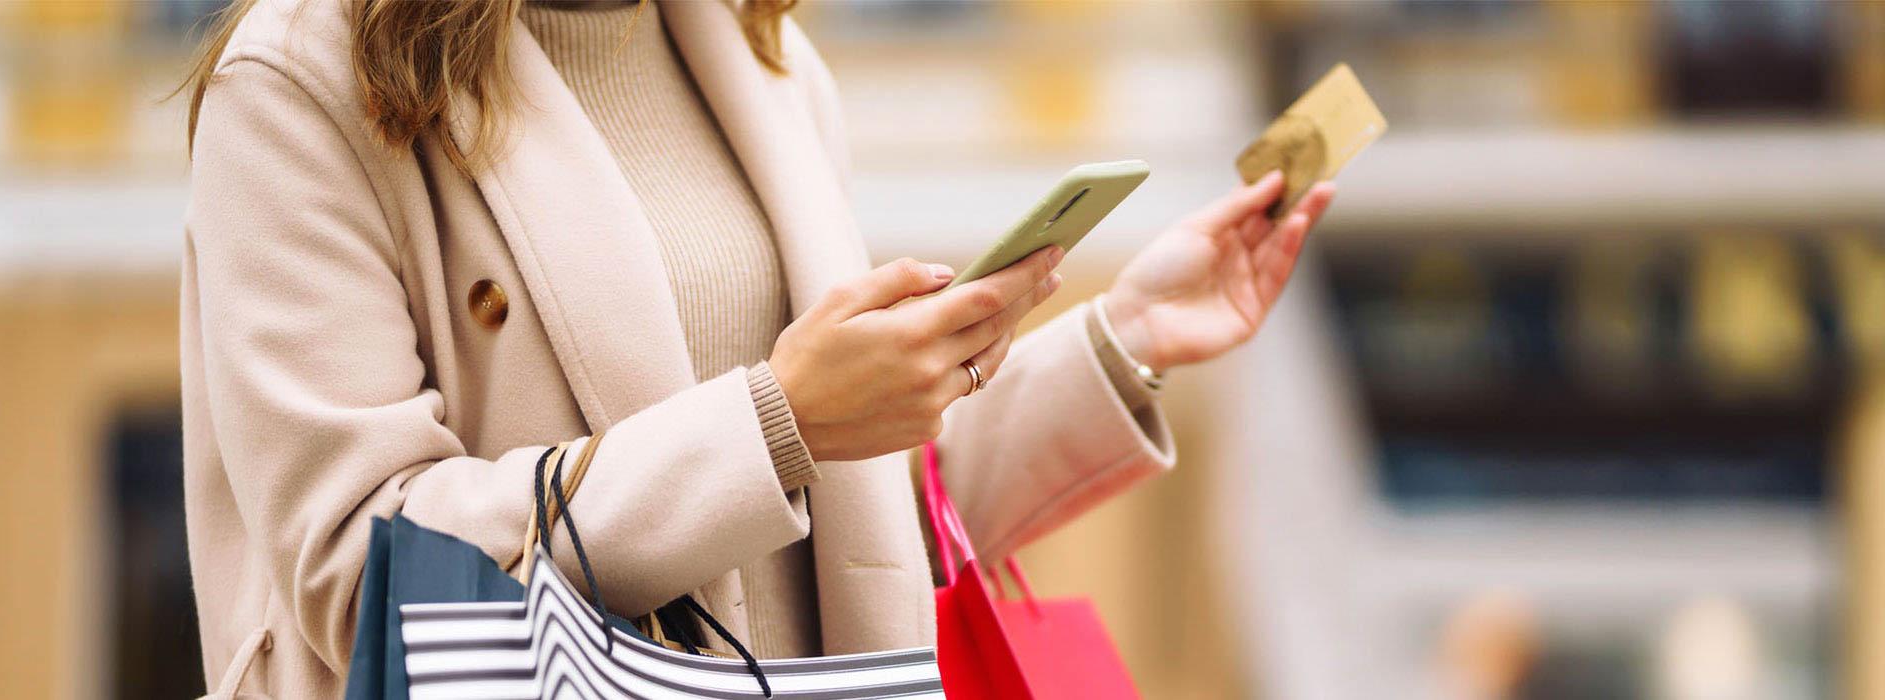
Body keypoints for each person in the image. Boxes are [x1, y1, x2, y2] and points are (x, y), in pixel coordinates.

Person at [178, 0, 1336, 696]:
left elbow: (854, 524)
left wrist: (1128, 337)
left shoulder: (761, 59)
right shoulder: (302, 79)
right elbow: (357, 569)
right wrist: (775, 420)